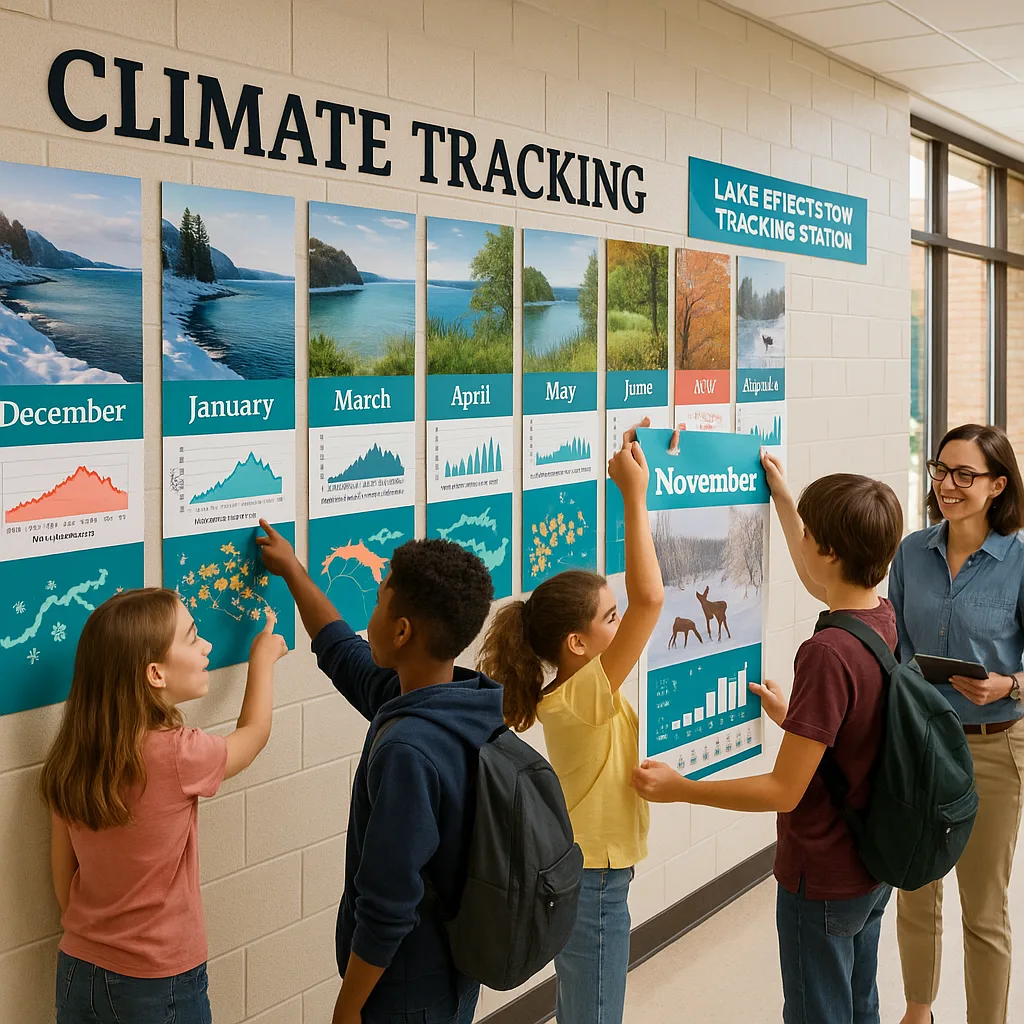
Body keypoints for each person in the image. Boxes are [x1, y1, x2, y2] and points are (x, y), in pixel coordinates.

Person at [632, 457, 904, 1024]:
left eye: (808, 533)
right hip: (870, 866)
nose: (801, 541)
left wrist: (684, 788)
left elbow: (783, 790)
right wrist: (783, 496)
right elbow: (856, 720)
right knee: (861, 1005)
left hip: (823, 874)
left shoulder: (827, 652)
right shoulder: (879, 615)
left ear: (830, 552)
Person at [255, 520, 502, 1024]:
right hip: (453, 975)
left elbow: (388, 906)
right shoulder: (455, 703)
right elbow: (340, 649)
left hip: (404, 992)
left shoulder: (407, 750)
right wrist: (293, 572)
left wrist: (348, 1009)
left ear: (402, 631)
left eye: (377, 601)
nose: (368, 616)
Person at [477, 425, 664, 1024]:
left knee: (585, 1006)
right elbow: (652, 600)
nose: (622, 622)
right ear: (577, 643)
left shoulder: (576, 691)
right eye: (610, 617)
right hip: (594, 878)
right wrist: (633, 495)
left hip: (592, 870)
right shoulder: (583, 694)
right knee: (595, 1012)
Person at [41, 588, 286, 1024]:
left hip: (78, 969)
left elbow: (64, 879)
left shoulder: (71, 754)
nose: (206, 645)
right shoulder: (177, 753)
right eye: (192, 637)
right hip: (156, 982)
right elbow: (253, 735)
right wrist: (262, 660)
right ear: (155, 674)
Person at [889, 424, 1024, 1024]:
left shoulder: (1019, 560)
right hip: (920, 743)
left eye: (965, 474)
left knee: (983, 908)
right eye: (941, 470)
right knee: (916, 887)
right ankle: (918, 1011)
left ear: (998, 486)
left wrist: (1009, 684)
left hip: (994, 746)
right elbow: (895, 648)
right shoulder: (910, 553)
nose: (948, 484)